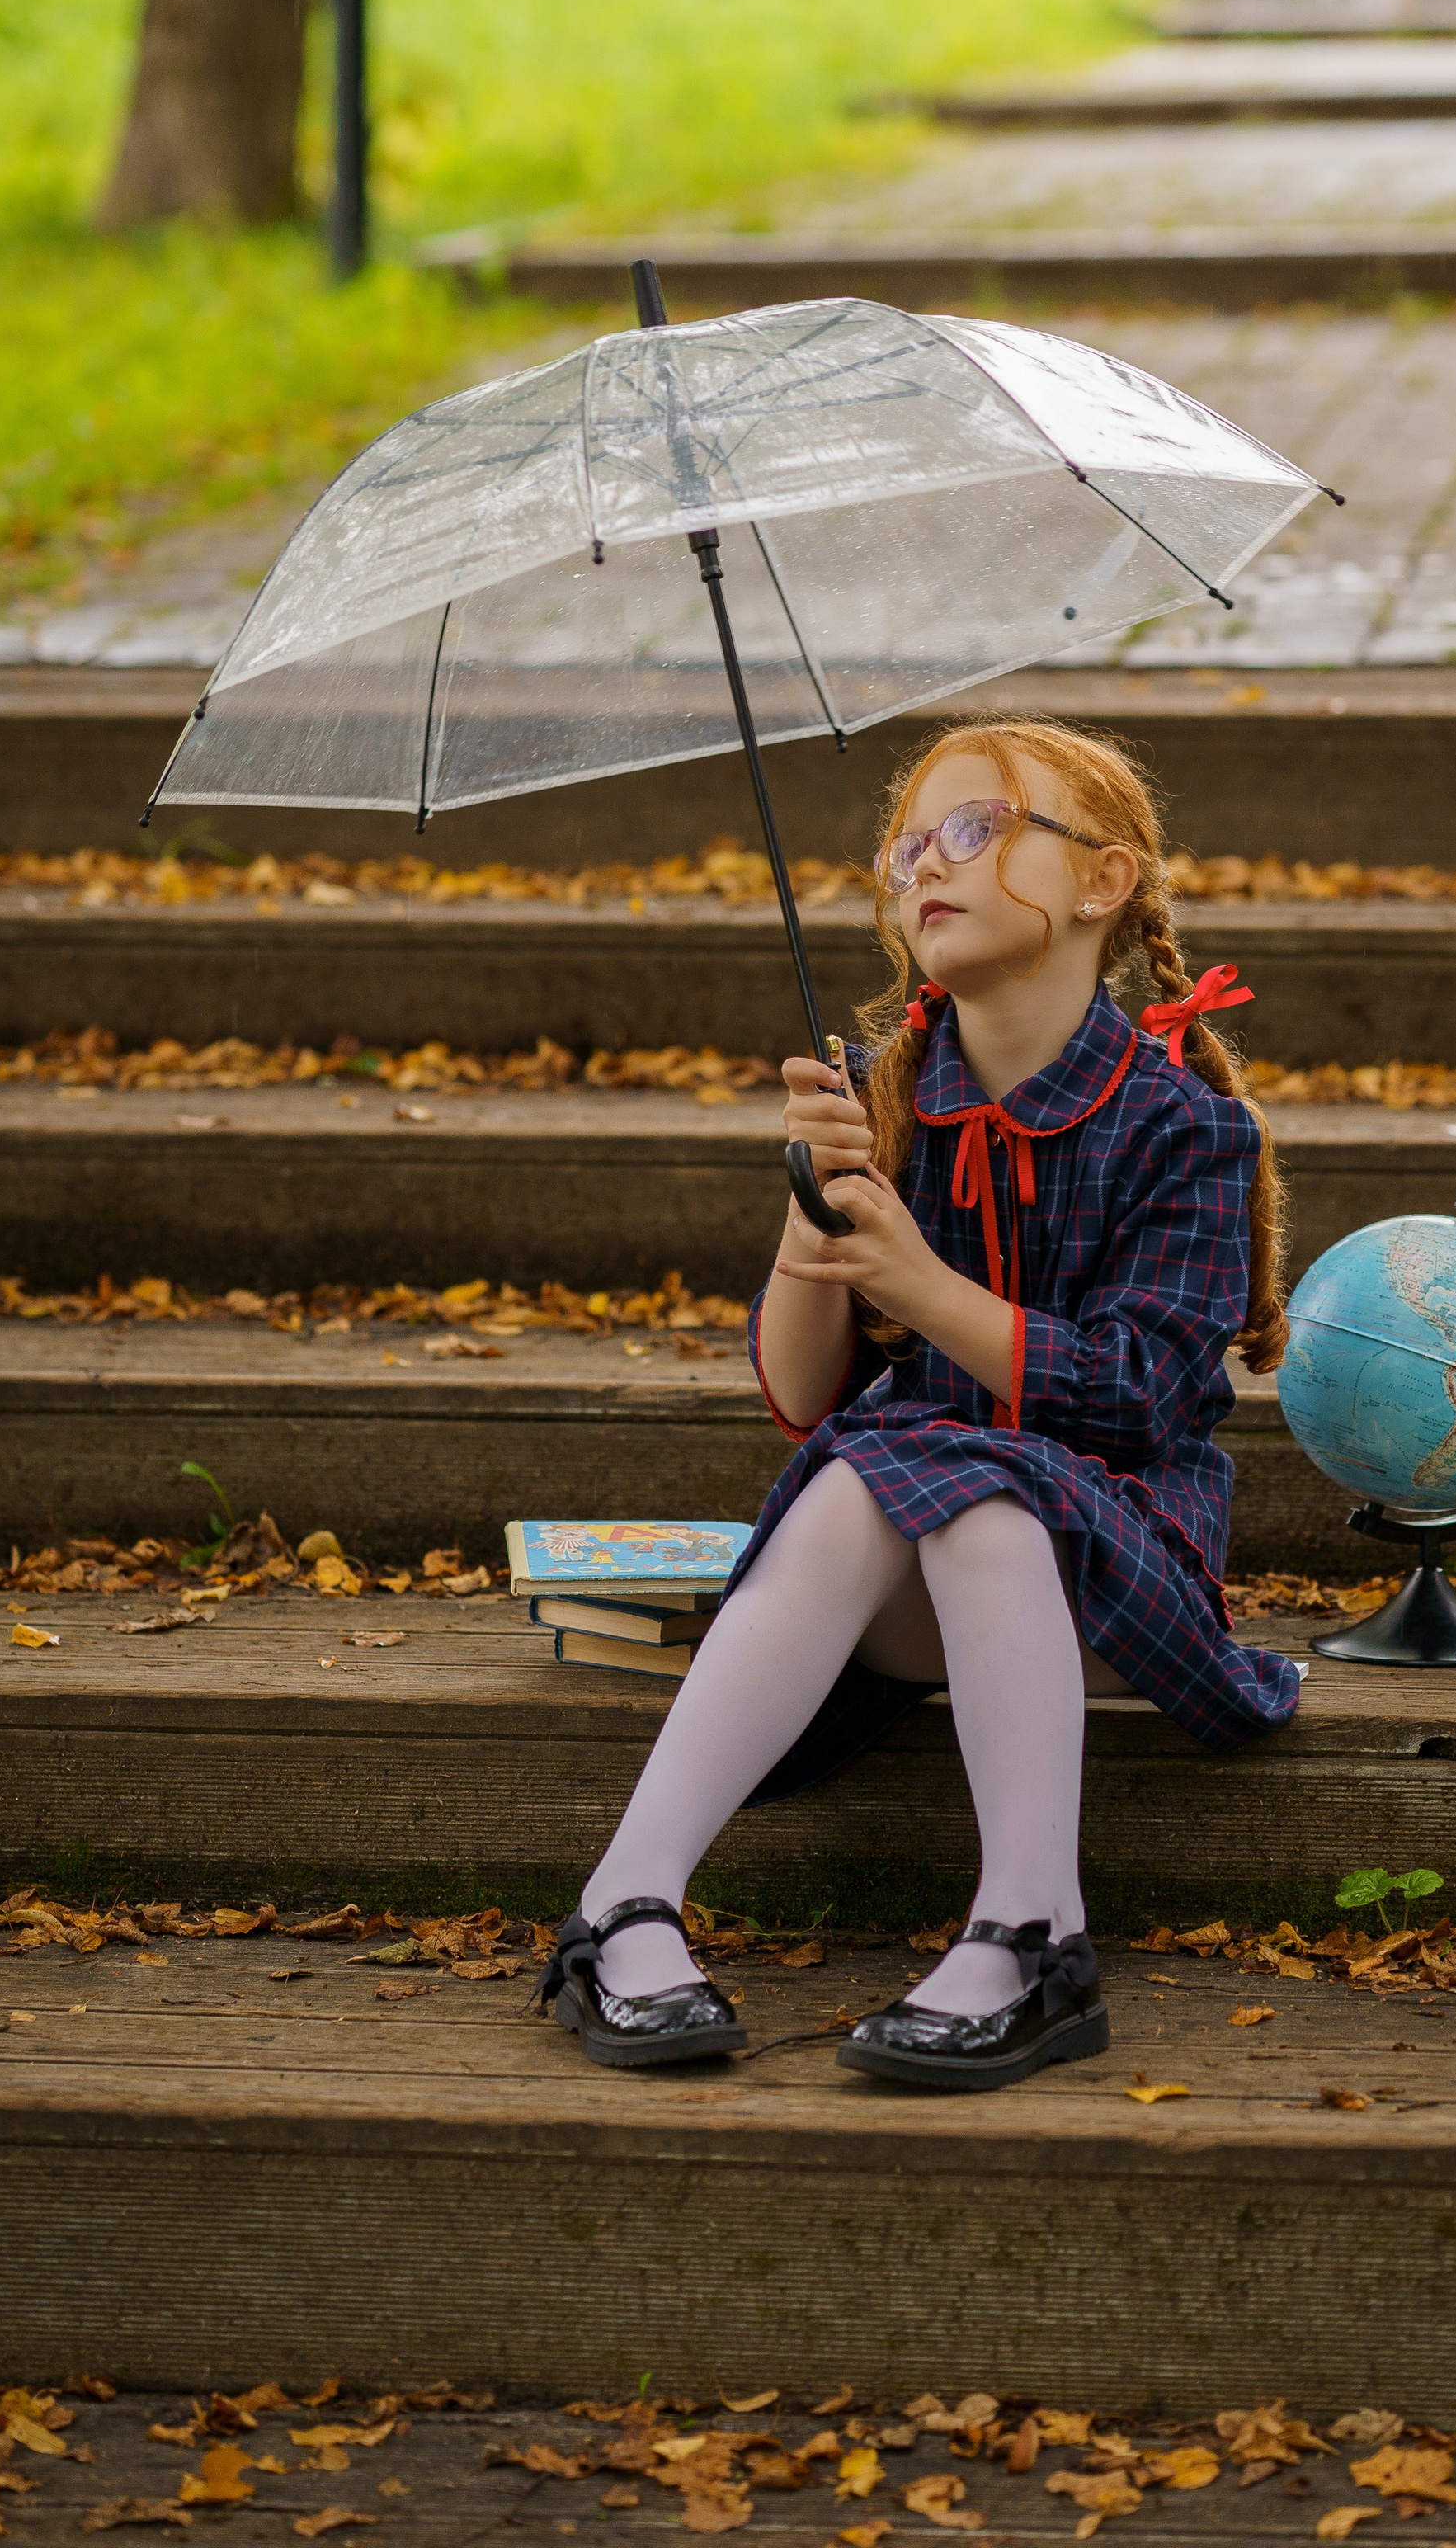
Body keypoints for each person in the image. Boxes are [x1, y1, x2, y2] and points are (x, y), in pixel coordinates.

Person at [541, 715, 1303, 2091]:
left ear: (1102, 881)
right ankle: (625, 1904)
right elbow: (799, 1391)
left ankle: (1031, 1931)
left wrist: (924, 1282)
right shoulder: (891, 1099)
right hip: (909, 1581)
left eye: (976, 830)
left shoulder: (1186, 1127)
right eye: (906, 850)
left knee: (984, 1501)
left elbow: (1140, 1396)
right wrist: (814, 1212)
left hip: (1118, 1577)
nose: (922, 868)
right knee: (868, 1469)